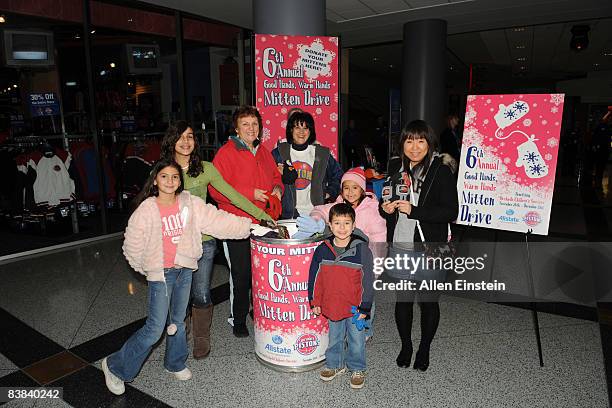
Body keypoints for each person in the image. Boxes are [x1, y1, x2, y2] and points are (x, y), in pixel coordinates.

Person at [101, 159, 252, 395]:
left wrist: (247, 226)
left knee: (178, 321)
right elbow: (132, 243)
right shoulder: (147, 209)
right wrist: (148, 269)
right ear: (155, 180)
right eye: (164, 176)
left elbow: (216, 220)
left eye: (174, 177)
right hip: (161, 274)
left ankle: (174, 362)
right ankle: (115, 366)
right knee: (155, 328)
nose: (170, 181)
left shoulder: (190, 203)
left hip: (184, 270)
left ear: (180, 181)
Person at [160, 121, 273, 359]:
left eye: (190, 136)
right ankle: (181, 333)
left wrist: (263, 216)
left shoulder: (206, 168)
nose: (186, 141)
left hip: (204, 241)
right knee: (179, 294)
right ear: (171, 141)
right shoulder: (163, 171)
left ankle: (202, 338)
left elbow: (233, 196)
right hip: (173, 243)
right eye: (180, 137)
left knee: (201, 293)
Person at [380, 119, 458, 371]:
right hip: (401, 244)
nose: (414, 147)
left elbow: (450, 211)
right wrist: (386, 209)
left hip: (429, 248)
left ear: (430, 143)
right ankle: (406, 345)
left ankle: (424, 348)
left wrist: (415, 210)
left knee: (428, 301)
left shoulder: (440, 169)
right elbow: (388, 204)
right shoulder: (394, 167)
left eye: (420, 141)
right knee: (403, 300)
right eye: (409, 140)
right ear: (402, 143)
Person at [210, 105, 283, 338]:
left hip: (263, 222)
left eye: (254, 123)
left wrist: (278, 189)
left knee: (260, 274)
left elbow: (276, 177)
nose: (251, 128)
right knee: (240, 275)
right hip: (236, 224)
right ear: (236, 129)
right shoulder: (226, 153)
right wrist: (251, 193)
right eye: (245, 124)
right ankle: (238, 318)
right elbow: (215, 189)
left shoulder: (264, 151)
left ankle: (257, 311)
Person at [308, 203, 374, 389]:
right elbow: (314, 277)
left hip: (355, 308)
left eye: (347, 223)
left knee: (356, 340)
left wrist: (365, 306)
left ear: (354, 226)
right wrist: (314, 301)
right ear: (330, 225)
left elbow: (368, 281)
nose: (342, 228)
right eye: (337, 223)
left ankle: (357, 368)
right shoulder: (322, 249)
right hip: (332, 304)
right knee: (335, 337)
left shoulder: (362, 251)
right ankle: (335, 365)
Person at [271, 111, 342, 219]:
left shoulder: (322, 154)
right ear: (291, 130)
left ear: (310, 131)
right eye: (297, 127)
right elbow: (266, 178)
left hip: (316, 213)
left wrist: (329, 192)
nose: (301, 132)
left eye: (305, 128)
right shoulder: (279, 153)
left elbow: (338, 175)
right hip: (287, 214)